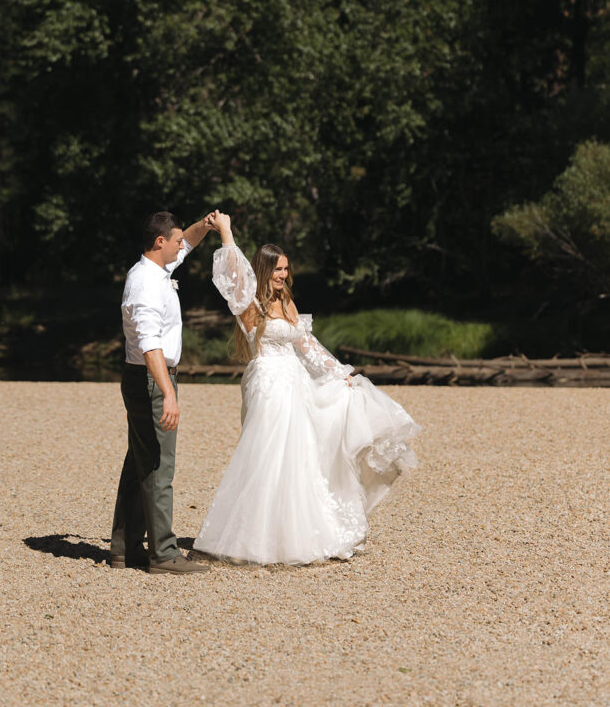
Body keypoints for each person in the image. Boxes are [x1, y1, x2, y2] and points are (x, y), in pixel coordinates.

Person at [193, 211, 420, 566]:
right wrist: (226, 231)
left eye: (286, 269)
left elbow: (307, 345)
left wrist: (339, 372)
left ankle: (300, 534)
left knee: (301, 455)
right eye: (277, 269)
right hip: (268, 382)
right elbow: (233, 273)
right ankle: (257, 539)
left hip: (296, 383)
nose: (283, 275)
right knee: (269, 454)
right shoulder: (249, 303)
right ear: (263, 270)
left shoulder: (286, 302)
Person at [110, 210, 215, 575]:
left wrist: (204, 226)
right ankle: (164, 554)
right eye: (175, 241)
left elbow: (187, 244)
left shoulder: (157, 269)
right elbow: (149, 343)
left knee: (138, 461)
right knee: (158, 465)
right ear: (159, 242)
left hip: (147, 377)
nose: (181, 246)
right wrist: (168, 393)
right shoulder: (146, 283)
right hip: (151, 378)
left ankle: (125, 548)